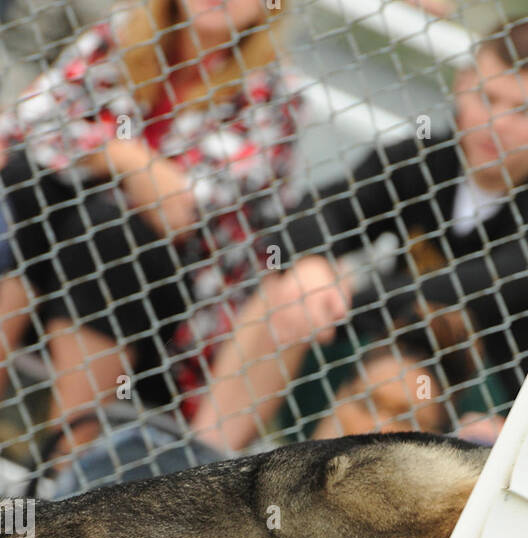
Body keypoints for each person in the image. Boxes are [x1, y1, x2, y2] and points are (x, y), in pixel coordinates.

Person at [193, 16, 528, 454]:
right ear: (461, 87)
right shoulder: (428, 158)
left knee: (395, 382)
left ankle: (297, 506)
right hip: (380, 338)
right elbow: (317, 208)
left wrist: (352, 298)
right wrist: (315, 268)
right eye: (487, 98)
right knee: (290, 290)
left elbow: (484, 286)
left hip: (487, 391)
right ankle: (201, 462)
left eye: (523, 110)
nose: (497, 123)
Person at [0, 0, 302, 462]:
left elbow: (185, 210)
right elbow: (22, 127)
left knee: (109, 231)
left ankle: (63, 468)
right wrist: (125, 158)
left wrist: (92, 150)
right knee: (24, 184)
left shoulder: (275, 92)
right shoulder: (118, 37)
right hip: (57, 258)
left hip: (174, 315)